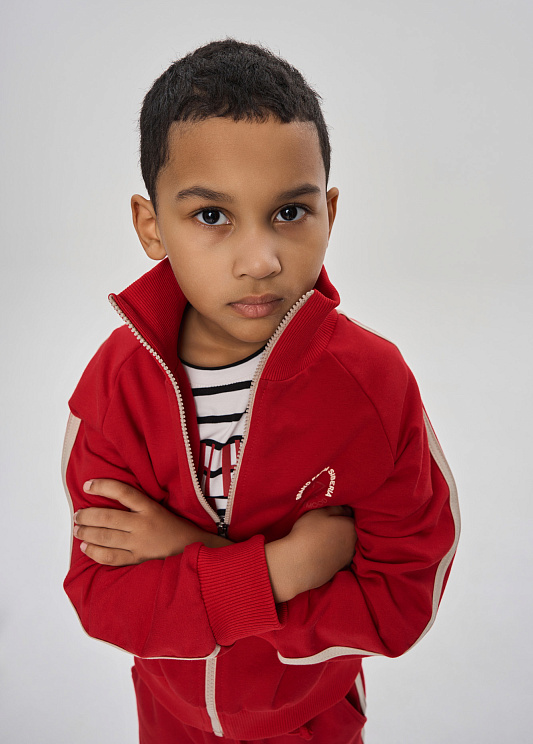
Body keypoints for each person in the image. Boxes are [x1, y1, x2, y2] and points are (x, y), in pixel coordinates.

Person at [62, 38, 460, 744]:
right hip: (169, 714)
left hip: (313, 717)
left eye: (289, 213)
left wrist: (183, 554)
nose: (261, 260)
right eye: (211, 217)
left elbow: (400, 602)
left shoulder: (373, 386)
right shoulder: (115, 386)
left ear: (329, 212)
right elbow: (103, 600)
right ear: (152, 227)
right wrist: (282, 569)